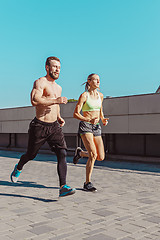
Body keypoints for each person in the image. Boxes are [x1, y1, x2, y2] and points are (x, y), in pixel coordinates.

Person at [10, 56, 75, 197]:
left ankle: (63, 186)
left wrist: (58, 116)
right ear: (47, 67)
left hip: (54, 127)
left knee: (62, 153)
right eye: (55, 67)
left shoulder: (59, 87)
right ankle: (19, 167)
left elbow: (56, 105)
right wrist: (55, 100)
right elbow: (34, 100)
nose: (57, 70)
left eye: (59, 67)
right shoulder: (40, 82)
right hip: (39, 125)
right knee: (31, 154)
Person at [73, 73, 109, 192]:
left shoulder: (101, 96)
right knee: (93, 155)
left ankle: (81, 154)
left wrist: (102, 119)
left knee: (100, 157)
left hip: (96, 127)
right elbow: (76, 114)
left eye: (99, 80)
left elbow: (100, 110)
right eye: (96, 80)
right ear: (89, 81)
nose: (98, 82)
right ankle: (87, 183)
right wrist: (87, 119)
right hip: (86, 126)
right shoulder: (84, 95)